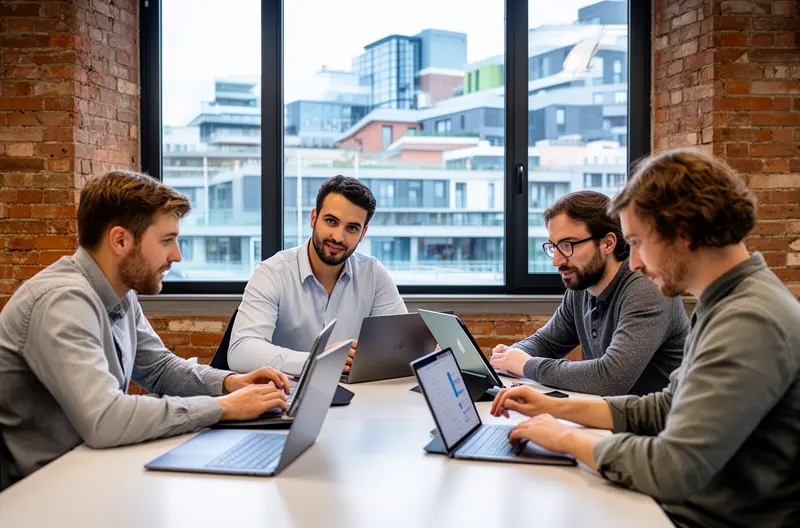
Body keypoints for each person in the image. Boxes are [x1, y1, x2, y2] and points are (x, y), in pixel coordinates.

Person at [490, 150, 800, 528]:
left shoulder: (749, 318)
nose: (633, 262)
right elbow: (666, 407)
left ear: (682, 231)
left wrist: (566, 440)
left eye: (637, 241)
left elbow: (672, 466)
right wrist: (552, 409)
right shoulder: (723, 301)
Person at [0, 171, 292, 481]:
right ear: (121, 240)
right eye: (167, 241)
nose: (176, 256)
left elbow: (160, 370)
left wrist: (230, 383)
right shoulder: (63, 302)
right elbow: (106, 419)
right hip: (37, 490)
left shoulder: (120, 293)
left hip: (86, 469)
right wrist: (222, 407)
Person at [490, 191, 688, 396]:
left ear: (608, 243)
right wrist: (510, 355)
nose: (556, 261)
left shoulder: (646, 289)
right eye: (554, 246)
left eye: (568, 245)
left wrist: (527, 365)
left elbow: (610, 378)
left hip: (659, 425)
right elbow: (546, 342)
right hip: (611, 417)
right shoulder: (582, 285)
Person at [228, 175, 406, 375]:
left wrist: (416, 351)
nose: (338, 237)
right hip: (287, 395)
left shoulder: (373, 274)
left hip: (358, 396)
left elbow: (400, 345)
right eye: (331, 221)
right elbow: (241, 352)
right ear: (313, 218)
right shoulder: (272, 273)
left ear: (363, 233)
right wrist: (318, 359)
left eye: (352, 228)